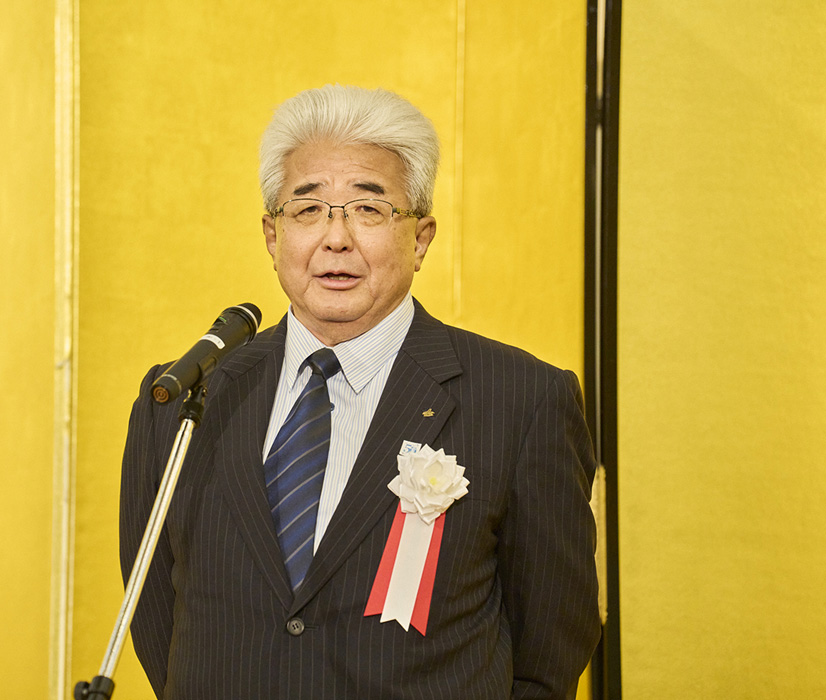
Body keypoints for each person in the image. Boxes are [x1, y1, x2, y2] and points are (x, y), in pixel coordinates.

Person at [119, 84, 600, 699]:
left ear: (420, 238)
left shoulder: (523, 400)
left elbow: (549, 649)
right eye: (307, 209)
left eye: (369, 209)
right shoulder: (186, 397)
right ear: (272, 236)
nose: (336, 238)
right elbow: (157, 617)